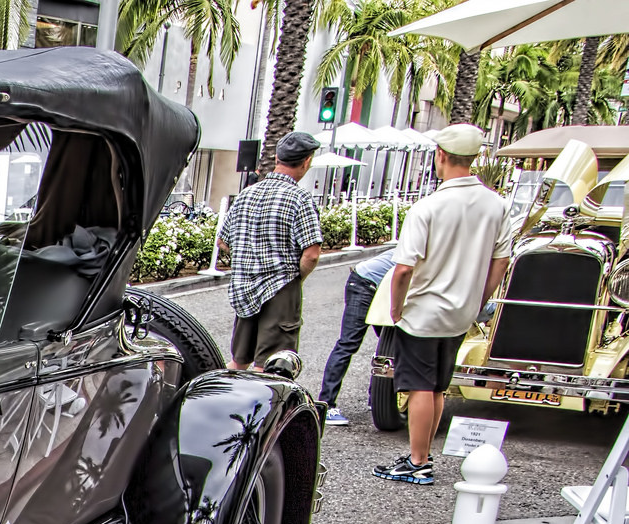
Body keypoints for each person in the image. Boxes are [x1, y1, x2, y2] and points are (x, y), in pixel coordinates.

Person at [373, 123, 513, 486]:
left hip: (424, 310)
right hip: (461, 311)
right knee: (437, 386)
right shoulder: (497, 205)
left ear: (441, 156)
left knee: (419, 384)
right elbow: (501, 260)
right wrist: (480, 297)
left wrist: (395, 307)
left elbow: (404, 268)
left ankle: (418, 461)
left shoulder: (428, 207)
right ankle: (423, 454)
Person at [216, 131, 324, 370]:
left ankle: (221, 394)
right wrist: (297, 278)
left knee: (239, 361)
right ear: (306, 161)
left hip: (244, 288)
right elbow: (311, 254)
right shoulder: (300, 198)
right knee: (271, 367)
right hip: (280, 287)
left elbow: (222, 241)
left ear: (277, 158)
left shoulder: (246, 194)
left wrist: (247, 257)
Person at [316, 248, 396, 425]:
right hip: (364, 285)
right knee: (348, 343)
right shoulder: (420, 252)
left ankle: (376, 399)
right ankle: (326, 406)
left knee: (389, 346)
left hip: (377, 287)